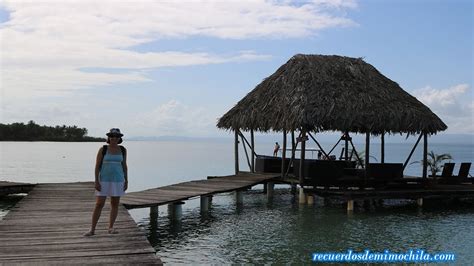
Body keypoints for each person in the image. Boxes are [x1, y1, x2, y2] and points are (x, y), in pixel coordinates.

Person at [84, 128, 128, 236]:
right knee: (99, 204)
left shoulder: (122, 149)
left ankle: (111, 227)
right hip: (104, 180)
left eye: (116, 136)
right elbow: (97, 166)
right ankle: (92, 229)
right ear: (109, 137)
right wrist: (96, 181)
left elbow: (124, 166)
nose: (114, 138)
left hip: (118, 180)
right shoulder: (103, 149)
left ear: (119, 138)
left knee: (115, 204)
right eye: (112, 136)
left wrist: (126, 180)